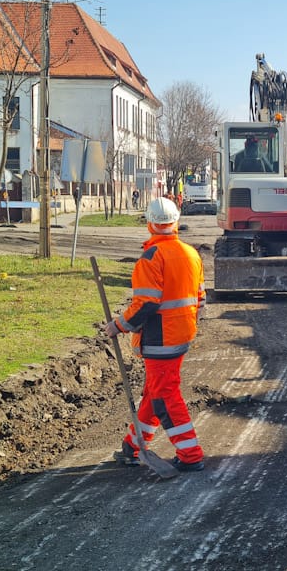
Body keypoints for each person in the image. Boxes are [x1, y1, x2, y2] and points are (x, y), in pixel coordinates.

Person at [105, 197, 206, 472]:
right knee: (154, 391)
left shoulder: (151, 257)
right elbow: (201, 298)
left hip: (161, 338)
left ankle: (191, 455)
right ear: (176, 221)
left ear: (149, 223)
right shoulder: (191, 253)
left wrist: (119, 325)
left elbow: (147, 304)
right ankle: (132, 446)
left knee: (164, 396)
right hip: (182, 334)